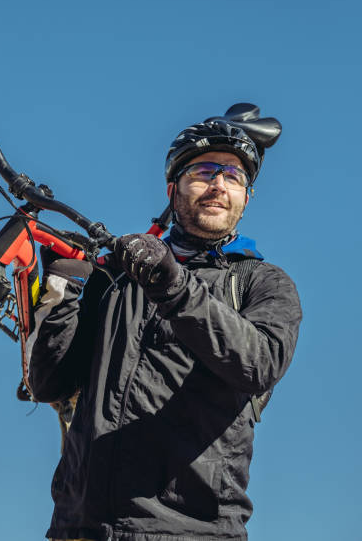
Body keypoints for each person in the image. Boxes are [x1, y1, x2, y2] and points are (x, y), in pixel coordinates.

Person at [27, 103, 302, 541]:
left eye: (234, 177)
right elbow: (50, 383)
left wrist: (172, 284)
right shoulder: (118, 281)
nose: (218, 185)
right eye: (204, 171)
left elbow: (259, 363)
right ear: (172, 189)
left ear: (246, 199)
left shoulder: (261, 282)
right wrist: (64, 288)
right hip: (77, 528)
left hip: (190, 531)